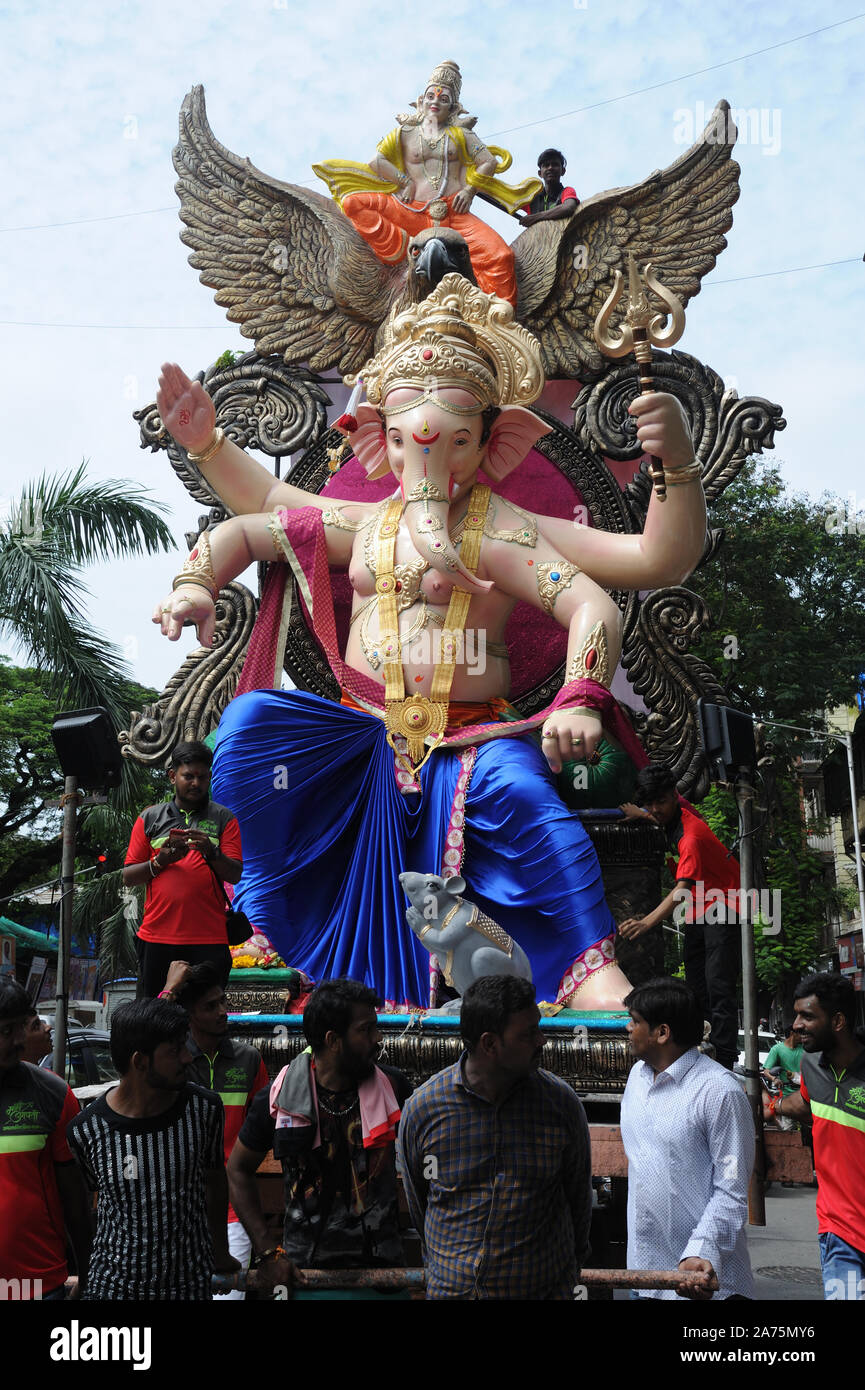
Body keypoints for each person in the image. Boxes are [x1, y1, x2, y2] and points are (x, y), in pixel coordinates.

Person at [153, 277, 704, 1012]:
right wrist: (199, 549)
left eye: (456, 443)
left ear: (493, 444)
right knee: (251, 733)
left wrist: (676, 466)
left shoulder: (504, 531)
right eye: (416, 443)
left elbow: (632, 575)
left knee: (541, 821)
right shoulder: (363, 526)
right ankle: (281, 934)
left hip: (476, 738)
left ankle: (584, 973)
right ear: (377, 441)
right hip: (363, 734)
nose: (432, 466)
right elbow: (256, 520)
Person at [398, 975, 592, 1300]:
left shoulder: (560, 1105)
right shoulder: (424, 1108)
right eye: (528, 1034)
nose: (542, 1040)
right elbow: (419, 1202)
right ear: (489, 1044)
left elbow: (579, 1202)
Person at [227, 978, 412, 1298]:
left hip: (383, 1276)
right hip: (306, 1275)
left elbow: (423, 1166)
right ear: (333, 1040)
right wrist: (268, 1252)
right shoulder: (277, 1098)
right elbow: (237, 1169)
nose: (377, 1038)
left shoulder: (394, 1088)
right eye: (366, 1029)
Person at [313, 61, 541, 305]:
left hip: (455, 215)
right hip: (411, 211)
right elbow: (376, 161)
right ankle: (401, 250)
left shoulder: (461, 135)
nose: (435, 102)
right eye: (431, 96)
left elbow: (488, 162)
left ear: (452, 107)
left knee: (501, 256)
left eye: (443, 100)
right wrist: (403, 182)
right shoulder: (405, 134)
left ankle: (497, 317)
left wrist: (469, 190)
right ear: (421, 101)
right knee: (352, 204)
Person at [66, 997, 238, 1300]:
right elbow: (83, 1210)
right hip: (114, 1291)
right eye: (174, 1050)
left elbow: (214, 1181)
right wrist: (84, 1274)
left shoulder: (204, 1110)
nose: (187, 1057)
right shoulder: (86, 1130)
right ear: (140, 1061)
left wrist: (220, 1253)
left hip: (189, 1289)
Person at [620, 977, 754, 1300]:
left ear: (662, 1033)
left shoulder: (719, 1092)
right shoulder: (636, 1079)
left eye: (636, 1021)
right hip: (644, 1277)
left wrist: (700, 1253)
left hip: (704, 1284)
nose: (627, 1028)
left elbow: (732, 1191)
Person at [619, 763, 741, 1068]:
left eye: (660, 801)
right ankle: (696, 1044)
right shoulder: (668, 818)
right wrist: (640, 814)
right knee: (695, 984)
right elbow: (657, 817)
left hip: (725, 902)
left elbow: (680, 890)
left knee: (718, 983)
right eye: (650, 803)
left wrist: (646, 922)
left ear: (675, 796)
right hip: (700, 906)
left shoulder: (692, 837)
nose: (655, 809)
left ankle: (724, 1057)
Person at [169, 960, 270, 1299]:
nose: (223, 1012)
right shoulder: (172, 1061)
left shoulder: (249, 1060)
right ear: (188, 1014)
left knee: (229, 1296)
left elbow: (261, 1126)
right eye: (210, 1007)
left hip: (232, 1207)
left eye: (223, 1002)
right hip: (179, 1208)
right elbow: (141, 1035)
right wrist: (168, 991)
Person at [123, 740, 243, 999]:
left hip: (210, 939)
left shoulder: (225, 818)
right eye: (188, 776)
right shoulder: (150, 817)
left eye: (202, 777)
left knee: (206, 1014)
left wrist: (211, 852)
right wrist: (160, 861)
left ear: (209, 777)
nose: (195, 783)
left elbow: (234, 874)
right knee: (154, 1017)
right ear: (172, 776)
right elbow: (128, 876)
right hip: (156, 937)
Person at [775, 973, 865, 1300]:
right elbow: (805, 1103)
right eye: (797, 1015)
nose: (796, 1025)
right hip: (840, 1234)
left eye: (807, 1016)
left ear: (838, 1020)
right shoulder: (811, 1065)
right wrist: (773, 1107)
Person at [0, 980, 92, 1301]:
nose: (18, 1041)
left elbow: (76, 1199)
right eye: (6, 1031)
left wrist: (87, 1273)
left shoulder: (53, 1094)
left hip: (35, 1282)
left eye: (20, 1028)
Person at [516, 148, 579, 227]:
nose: (550, 168)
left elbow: (568, 207)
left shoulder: (567, 191)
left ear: (563, 171)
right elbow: (508, 201)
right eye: (546, 165)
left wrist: (535, 217)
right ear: (540, 173)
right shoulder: (532, 197)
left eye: (555, 164)